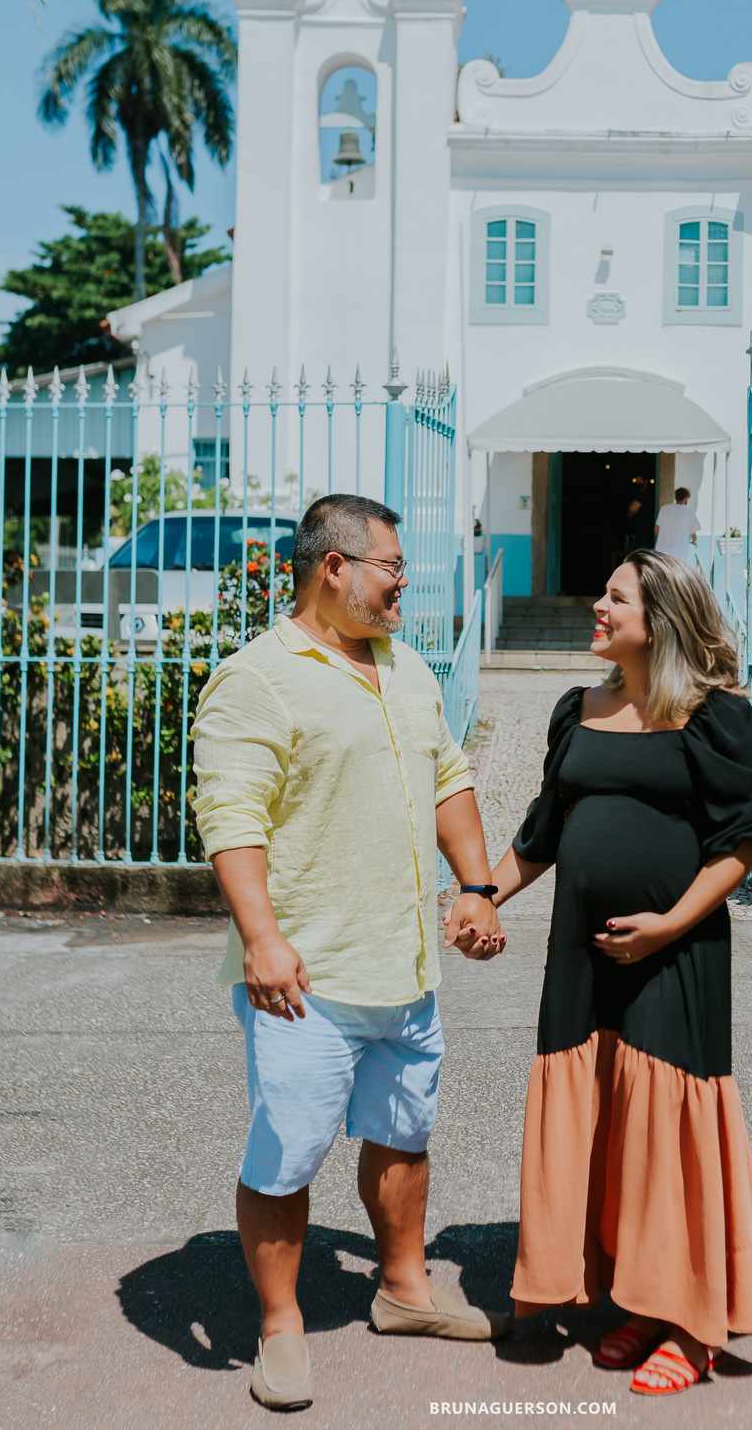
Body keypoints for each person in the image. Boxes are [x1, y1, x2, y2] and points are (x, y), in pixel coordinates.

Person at [192, 493, 509, 1412]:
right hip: (307, 978)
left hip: (406, 966)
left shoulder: (404, 667)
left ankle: (405, 1289)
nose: (405, 582)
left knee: (403, 1134)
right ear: (334, 567)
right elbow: (232, 815)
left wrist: (478, 886)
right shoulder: (259, 678)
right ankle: (281, 1325)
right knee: (289, 1152)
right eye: (391, 567)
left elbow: (448, 776)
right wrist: (262, 938)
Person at [489, 548, 752, 1397]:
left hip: (676, 953)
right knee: (612, 1125)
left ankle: (694, 1325)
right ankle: (642, 1300)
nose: (598, 606)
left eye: (615, 596)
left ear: (662, 618)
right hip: (581, 957)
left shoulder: (713, 715)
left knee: (671, 1128)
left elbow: (747, 839)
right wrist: (482, 895)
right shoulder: (578, 709)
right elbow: (543, 829)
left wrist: (670, 925)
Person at [653, 487, 701, 564]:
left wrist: (663, 539)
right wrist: (694, 542)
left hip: (661, 551)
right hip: (678, 554)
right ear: (686, 498)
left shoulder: (664, 509)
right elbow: (693, 534)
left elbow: (656, 529)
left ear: (675, 496)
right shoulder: (689, 512)